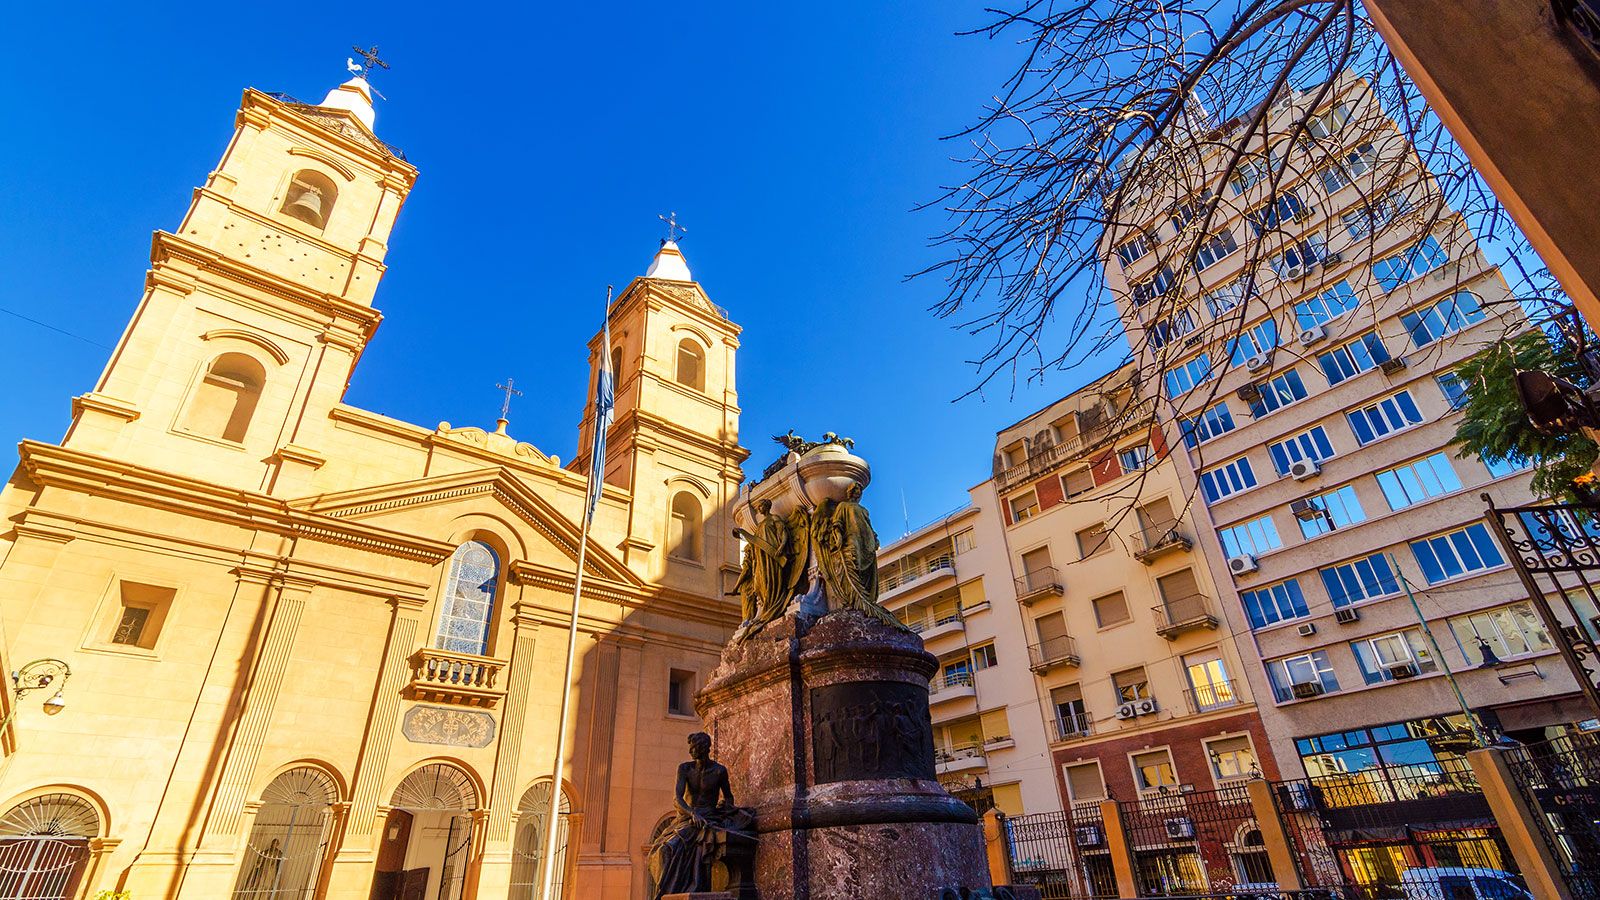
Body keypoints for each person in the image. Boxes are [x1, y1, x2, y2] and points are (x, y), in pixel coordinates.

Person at [646, 732, 756, 899]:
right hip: (687, 818)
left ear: (704, 748)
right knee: (662, 851)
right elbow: (677, 799)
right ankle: (666, 894)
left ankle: (681, 890)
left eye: (694, 747)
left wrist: (727, 809)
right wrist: (693, 814)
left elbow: (728, 796)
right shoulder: (685, 769)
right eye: (690, 747)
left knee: (678, 848)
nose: (691, 751)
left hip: (709, 819)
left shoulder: (719, 772)